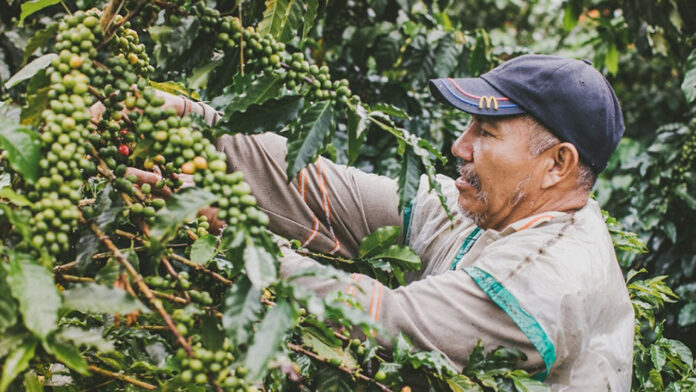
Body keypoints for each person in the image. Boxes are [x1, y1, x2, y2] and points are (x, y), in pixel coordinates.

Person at [123, 55, 635, 390]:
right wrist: (192, 122)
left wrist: (237, 238)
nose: (459, 147)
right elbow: (320, 190)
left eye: (485, 132)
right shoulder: (496, 213)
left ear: (558, 165)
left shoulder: (547, 283)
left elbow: (388, 320)